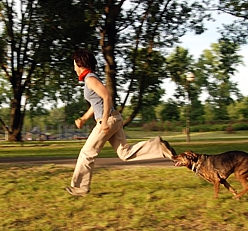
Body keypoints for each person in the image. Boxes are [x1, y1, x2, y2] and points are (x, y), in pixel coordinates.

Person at [66, 49, 177, 196]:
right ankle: (157, 146)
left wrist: (104, 122)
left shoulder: (90, 79)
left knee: (87, 153)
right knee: (125, 153)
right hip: (114, 119)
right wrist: (84, 118)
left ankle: (80, 187)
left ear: (80, 63)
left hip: (108, 120)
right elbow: (96, 103)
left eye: (74, 64)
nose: (74, 67)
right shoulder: (90, 79)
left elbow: (107, 97)